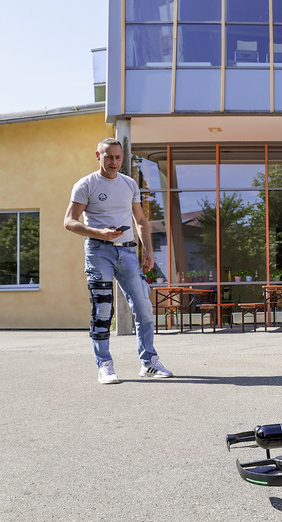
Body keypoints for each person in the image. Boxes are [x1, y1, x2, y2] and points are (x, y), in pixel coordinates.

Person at [64, 138, 173, 384]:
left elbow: (141, 221)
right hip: (98, 250)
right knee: (102, 309)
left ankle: (149, 363)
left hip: (126, 252)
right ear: (98, 156)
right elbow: (69, 221)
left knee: (144, 307)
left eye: (118, 157)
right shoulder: (86, 185)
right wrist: (100, 233)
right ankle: (104, 365)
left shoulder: (129, 184)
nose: (114, 162)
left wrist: (148, 251)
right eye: (108, 156)